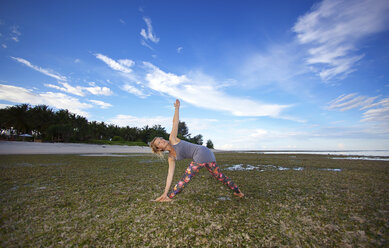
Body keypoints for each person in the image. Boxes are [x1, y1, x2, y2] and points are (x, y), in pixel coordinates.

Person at [149, 99, 244, 202]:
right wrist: (164, 191)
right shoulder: (171, 158)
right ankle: (238, 192)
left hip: (201, 152)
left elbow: (175, 123)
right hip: (207, 154)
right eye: (159, 142)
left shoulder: (172, 139)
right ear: (159, 149)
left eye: (161, 139)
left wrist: (177, 108)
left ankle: (168, 197)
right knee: (219, 175)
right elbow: (170, 175)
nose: (162, 140)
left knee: (186, 177)